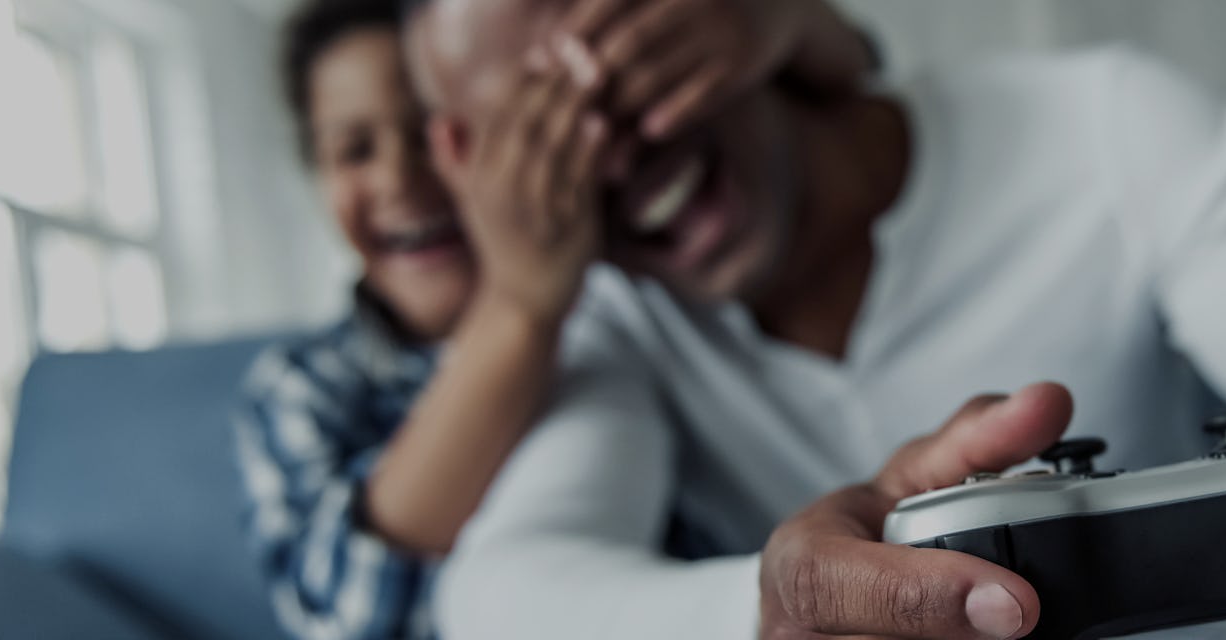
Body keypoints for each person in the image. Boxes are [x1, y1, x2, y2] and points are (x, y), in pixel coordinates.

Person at [403, 0, 1226, 638]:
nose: (613, 150)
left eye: (619, 55)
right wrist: (816, 609)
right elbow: (508, 599)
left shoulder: (1099, 129)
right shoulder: (599, 316)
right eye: (537, 138)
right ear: (468, 160)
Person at [230, 0, 877, 637]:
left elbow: (852, 80)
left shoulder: (624, 300)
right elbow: (355, 611)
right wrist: (518, 302)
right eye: (354, 149)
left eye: (432, 134)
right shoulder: (302, 389)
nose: (401, 179)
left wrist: (788, 22)